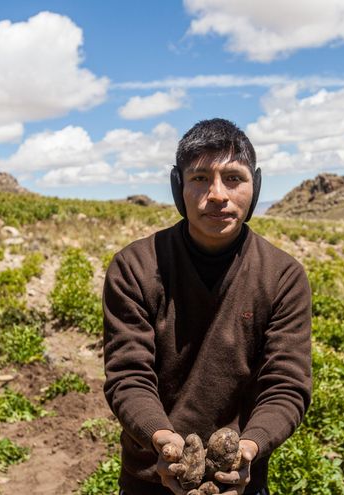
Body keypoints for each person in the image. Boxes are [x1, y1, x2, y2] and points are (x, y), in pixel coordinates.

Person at [102, 118, 312, 495]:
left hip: (240, 480)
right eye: (200, 178)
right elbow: (128, 375)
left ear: (255, 186)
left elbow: (286, 385)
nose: (217, 194)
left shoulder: (283, 276)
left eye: (233, 178)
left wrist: (248, 449)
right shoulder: (135, 267)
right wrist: (163, 441)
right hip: (150, 477)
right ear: (177, 186)